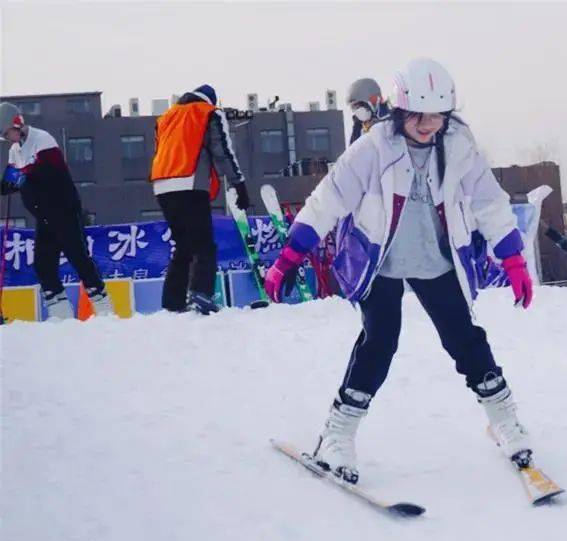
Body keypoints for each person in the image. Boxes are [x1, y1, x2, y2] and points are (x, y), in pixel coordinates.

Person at [264, 58, 535, 484]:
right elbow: (327, 200)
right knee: (380, 340)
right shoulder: (373, 147)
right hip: (380, 261)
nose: (430, 126)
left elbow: (488, 201)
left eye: (438, 117)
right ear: (401, 110)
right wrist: (290, 256)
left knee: (464, 337)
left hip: (436, 258)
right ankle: (337, 434)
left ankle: (504, 419)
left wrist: (513, 257)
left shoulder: (459, 144)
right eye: (420, 117)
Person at [0, 102, 112, 319]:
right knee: (43, 264)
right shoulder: (15, 151)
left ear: (17, 124)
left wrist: (23, 175)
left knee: (77, 256)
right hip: (43, 215)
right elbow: (11, 180)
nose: (8, 138)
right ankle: (59, 312)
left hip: (63, 209)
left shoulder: (42, 140)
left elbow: (50, 174)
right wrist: (8, 184)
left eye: (8, 132)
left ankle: (103, 305)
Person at [150, 84, 249, 314]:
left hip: (162, 185)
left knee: (183, 246)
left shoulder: (167, 116)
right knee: (204, 244)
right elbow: (222, 151)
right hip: (190, 182)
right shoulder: (209, 112)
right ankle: (200, 294)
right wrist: (239, 185)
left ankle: (171, 303)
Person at [346, 78, 391, 145]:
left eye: (359, 105)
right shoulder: (359, 127)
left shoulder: (391, 119)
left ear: (373, 100)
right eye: (354, 107)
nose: (357, 111)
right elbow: (353, 150)